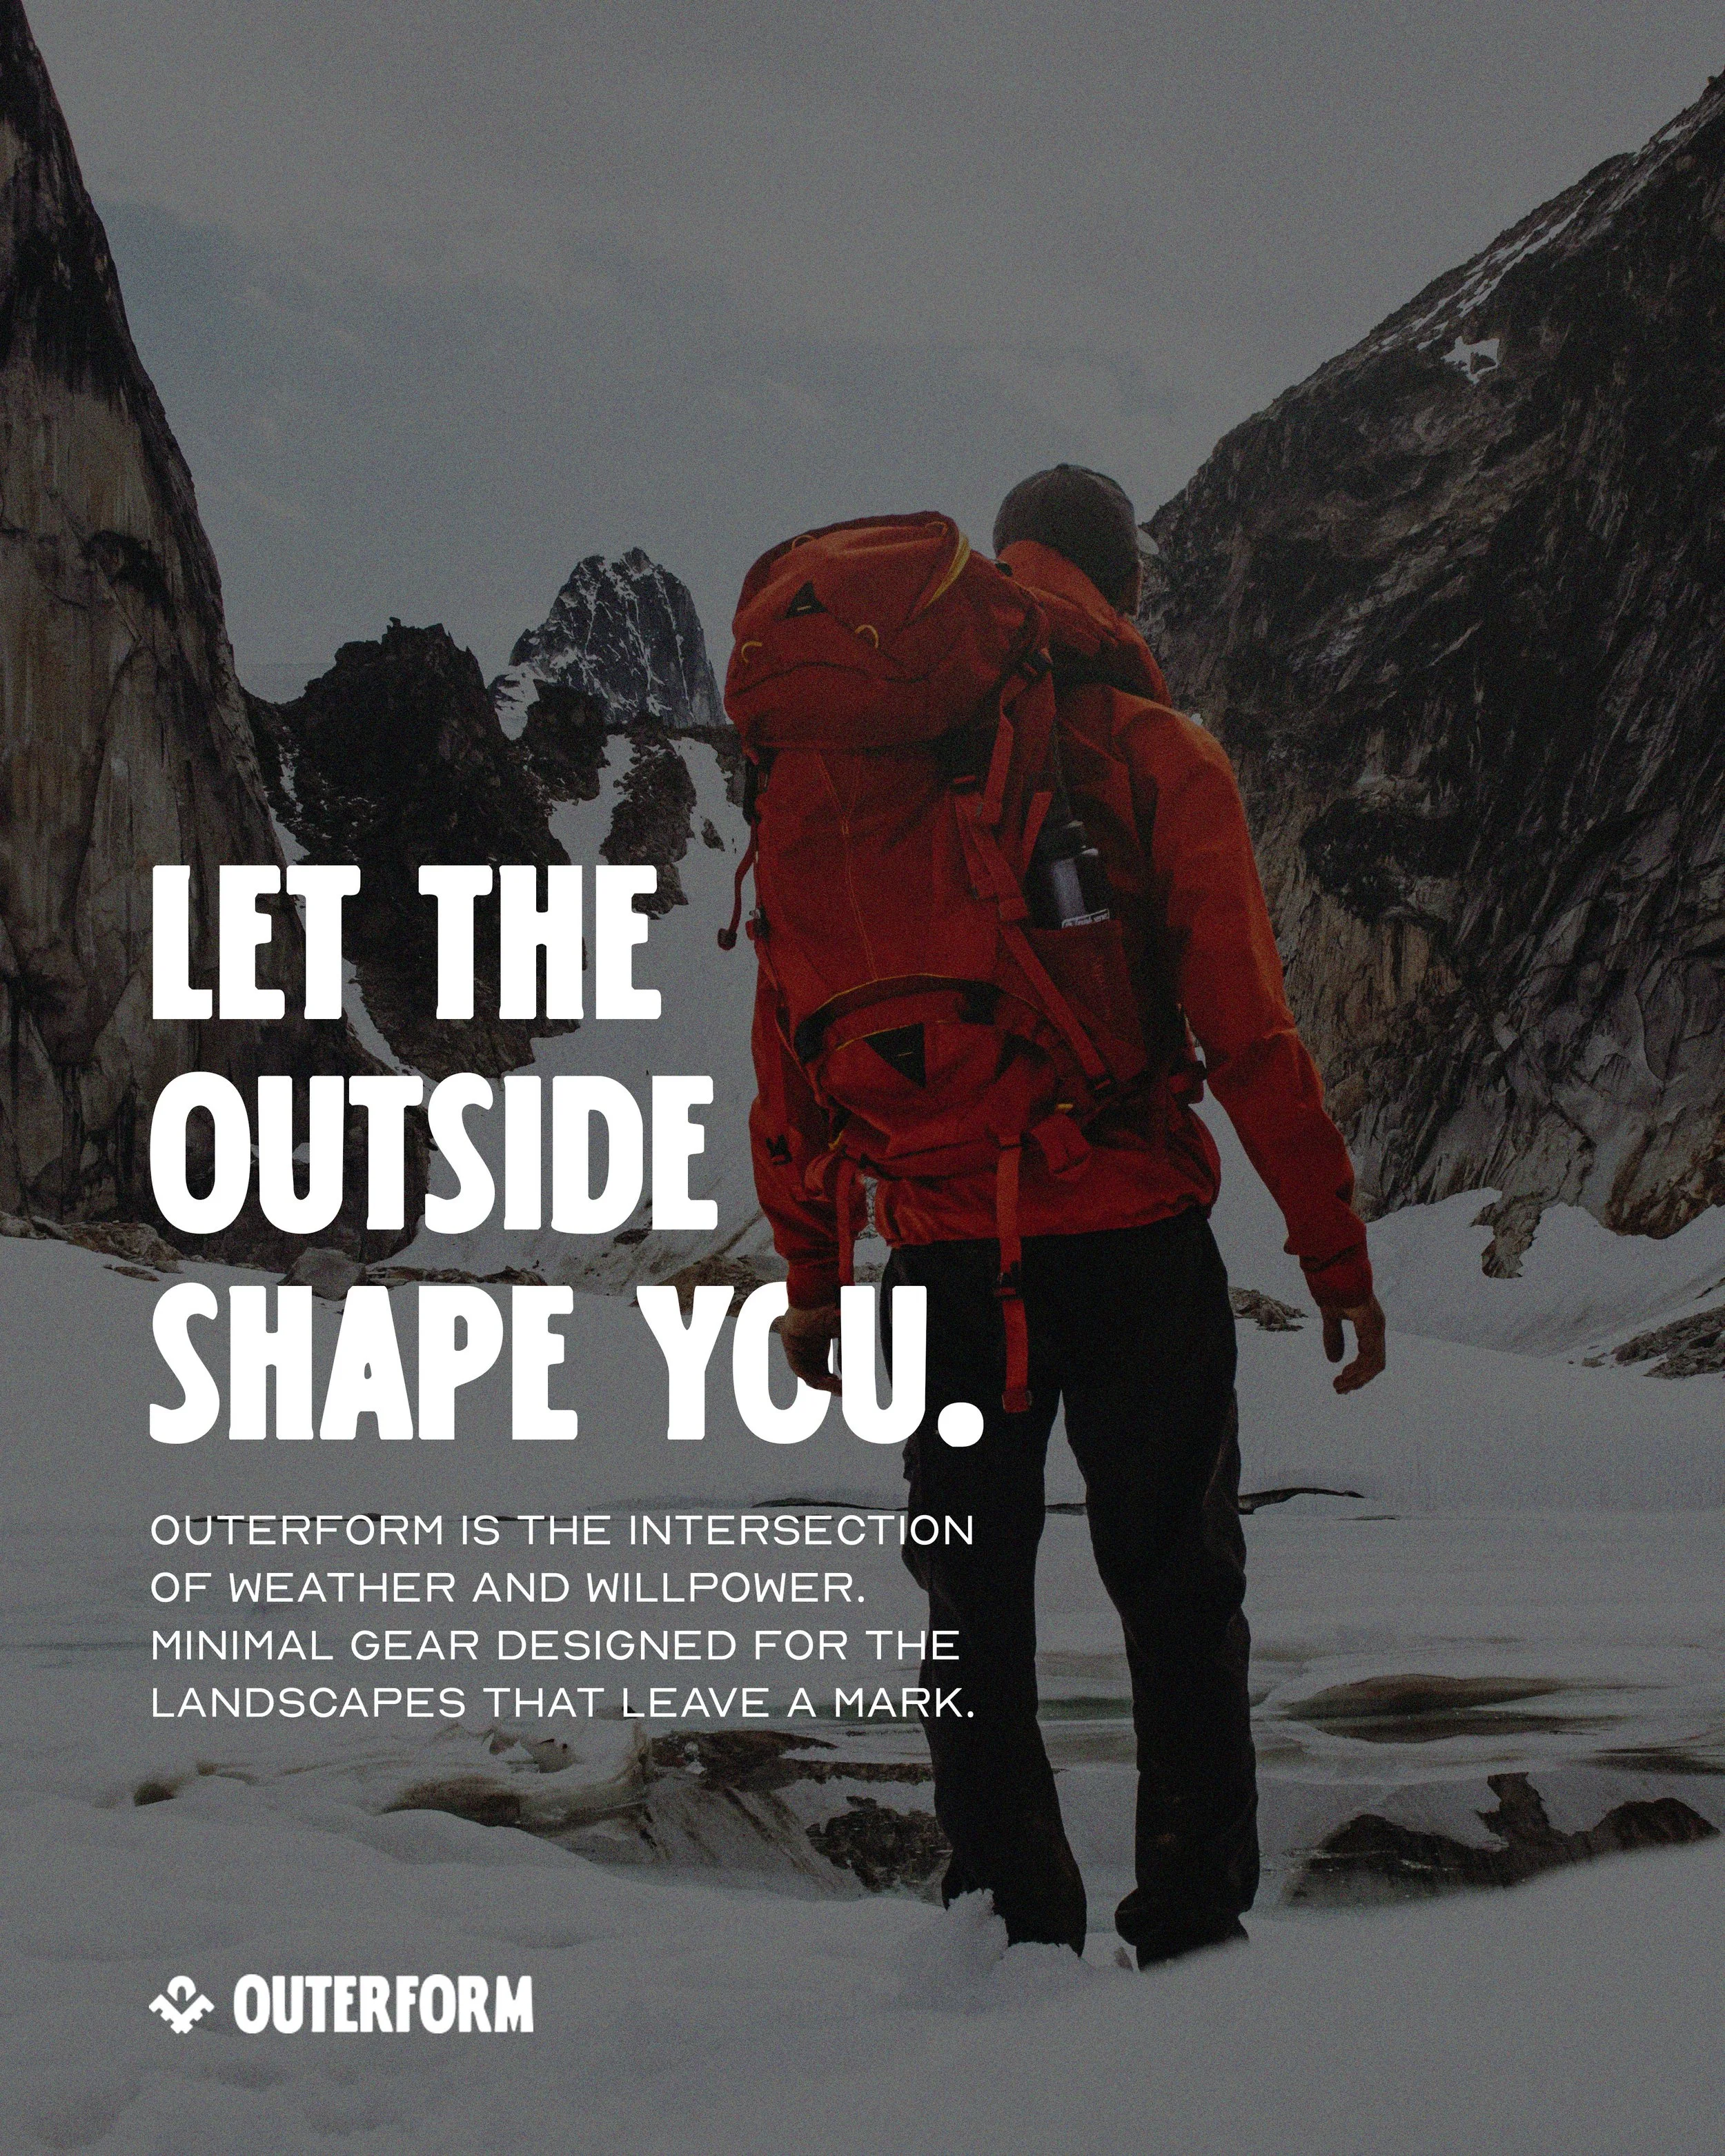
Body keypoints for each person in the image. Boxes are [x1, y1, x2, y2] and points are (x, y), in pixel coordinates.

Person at [755, 464, 1386, 1966]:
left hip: (938, 1254)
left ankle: (1002, 1925)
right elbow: (1246, 1034)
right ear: (1124, 584)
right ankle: (1183, 1926)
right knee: (1175, 1587)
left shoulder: (854, 771)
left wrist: (814, 1277)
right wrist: (1333, 1247)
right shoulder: (1154, 750)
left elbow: (785, 1046)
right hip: (1128, 1242)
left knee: (969, 1594)